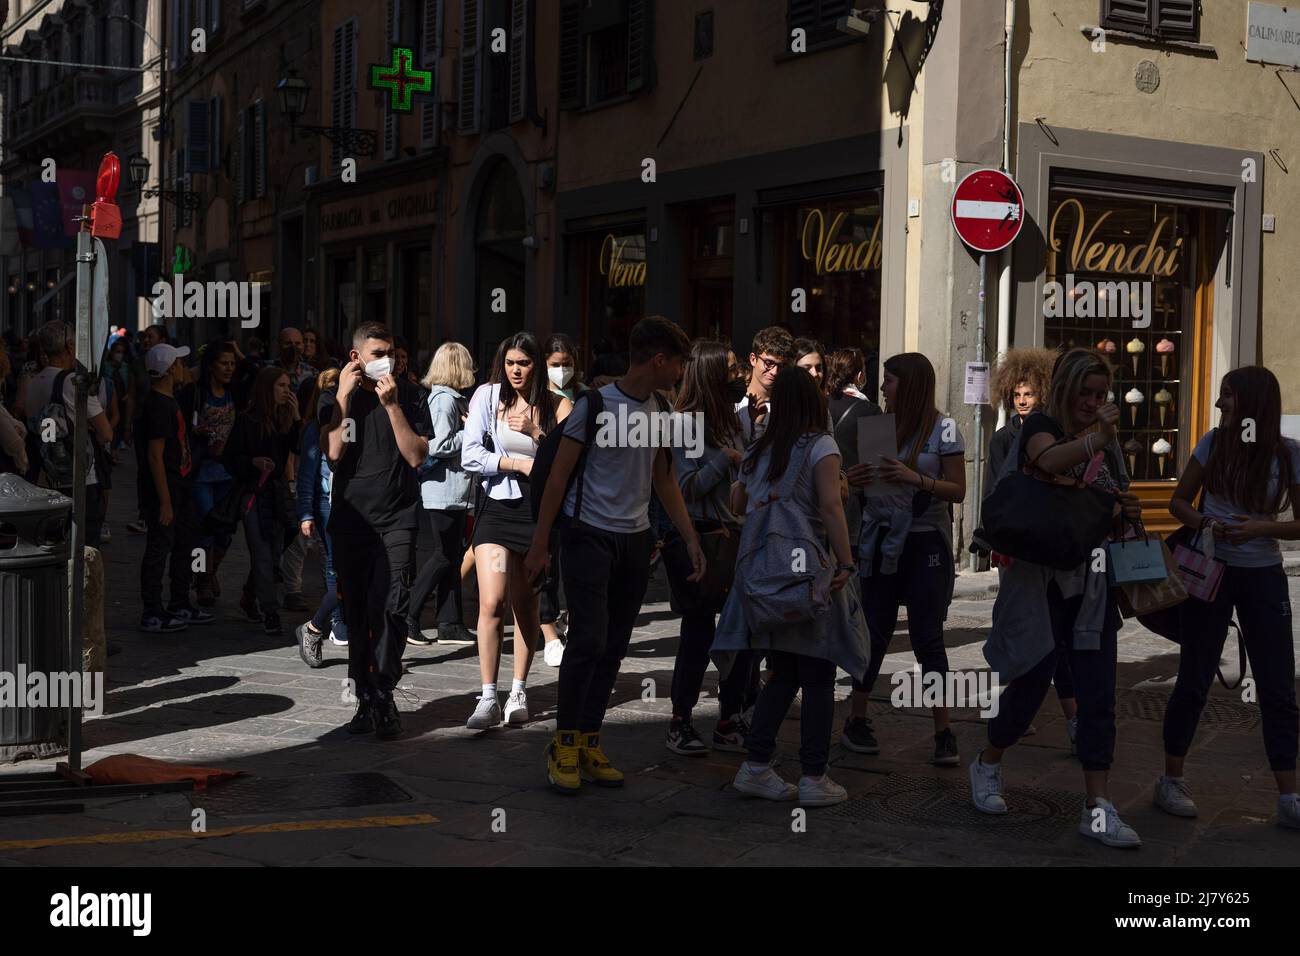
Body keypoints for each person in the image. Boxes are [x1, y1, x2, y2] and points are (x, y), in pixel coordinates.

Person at [972, 347, 1144, 849]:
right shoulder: (1040, 425)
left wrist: (1122, 507)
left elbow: (1105, 497)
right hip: (1039, 583)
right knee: (1029, 685)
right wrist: (1099, 439)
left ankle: (1099, 806)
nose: (1093, 403)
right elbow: (1048, 459)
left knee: (1097, 696)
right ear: (1066, 388)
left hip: (1091, 585)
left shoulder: (1104, 443)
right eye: (1085, 393)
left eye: (1101, 395)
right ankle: (987, 761)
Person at [525, 316, 703, 795]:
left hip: (636, 539)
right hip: (589, 535)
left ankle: (588, 740)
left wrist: (690, 537)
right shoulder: (595, 405)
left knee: (615, 647)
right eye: (679, 364)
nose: (681, 374)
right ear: (659, 360)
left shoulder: (662, 409)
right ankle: (562, 744)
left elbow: (663, 478)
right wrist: (541, 543)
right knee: (587, 641)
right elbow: (558, 477)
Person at [715, 366, 867, 806]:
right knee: (818, 674)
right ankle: (814, 776)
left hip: (764, 575)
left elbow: (737, 502)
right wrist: (847, 560)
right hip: (806, 574)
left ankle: (757, 766)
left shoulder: (761, 446)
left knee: (784, 671)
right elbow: (831, 507)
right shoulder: (821, 444)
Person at [1158, 366, 1300, 830]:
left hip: (1264, 577)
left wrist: (1261, 528)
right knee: (1194, 678)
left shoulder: (1288, 454)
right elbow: (1178, 501)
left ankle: (1288, 795)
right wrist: (1207, 525)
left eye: (1227, 397)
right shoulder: (1212, 444)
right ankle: (1171, 780)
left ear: (1253, 404)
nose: (1219, 405)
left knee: (1278, 687)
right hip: (1210, 572)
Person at [845, 353, 966, 764]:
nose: (882, 388)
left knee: (927, 636)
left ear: (911, 385)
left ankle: (943, 729)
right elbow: (870, 492)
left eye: (890, 380)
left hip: (926, 541)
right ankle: (856, 718)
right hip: (882, 540)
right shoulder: (878, 427)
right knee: (875, 630)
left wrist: (915, 478)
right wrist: (854, 481)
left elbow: (958, 490)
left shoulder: (944, 428)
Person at [321, 322, 431, 740]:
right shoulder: (335, 398)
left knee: (391, 607)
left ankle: (382, 692)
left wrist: (392, 407)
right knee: (358, 614)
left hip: (397, 519)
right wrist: (345, 399)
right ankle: (367, 699)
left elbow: (417, 455)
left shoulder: (410, 394)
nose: (386, 359)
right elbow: (333, 453)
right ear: (356, 358)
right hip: (351, 522)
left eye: (390, 351)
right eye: (377, 352)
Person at [461, 332, 572, 729]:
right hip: (497, 507)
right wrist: (516, 464)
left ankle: (518, 689)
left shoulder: (559, 405)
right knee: (490, 601)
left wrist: (534, 434)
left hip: (536, 511)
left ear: (537, 365)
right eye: (509, 363)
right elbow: (470, 454)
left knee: (525, 603)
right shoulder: (487, 397)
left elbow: (566, 461)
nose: (515, 371)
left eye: (523, 363)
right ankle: (487, 695)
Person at [984, 347, 1077, 747]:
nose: (1022, 400)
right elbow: (996, 491)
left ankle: (1068, 717)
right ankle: (1017, 705)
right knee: (1024, 627)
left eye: (1028, 393)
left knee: (1061, 640)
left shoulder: (1070, 435)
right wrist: (991, 539)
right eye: (1016, 394)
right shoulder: (1005, 438)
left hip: (1060, 553)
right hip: (1020, 548)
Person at [664, 340, 752, 756]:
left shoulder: (731, 421)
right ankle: (681, 719)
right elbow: (684, 488)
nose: (739, 376)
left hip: (735, 536)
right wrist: (726, 460)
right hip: (700, 537)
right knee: (698, 630)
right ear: (713, 373)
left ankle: (729, 716)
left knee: (738, 631)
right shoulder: (685, 425)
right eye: (732, 369)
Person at [137, 343, 212, 632]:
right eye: (178, 364)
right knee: (160, 547)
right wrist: (165, 500)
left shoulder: (170, 401)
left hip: (181, 483)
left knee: (185, 543)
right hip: (165, 487)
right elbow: (155, 455)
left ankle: (180, 600)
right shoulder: (157, 405)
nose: (183, 367)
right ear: (169, 370)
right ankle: (152, 610)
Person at [224, 365, 302, 637]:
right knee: (261, 552)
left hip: (277, 494)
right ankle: (271, 612)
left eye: (287, 386)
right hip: (253, 495)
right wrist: (253, 463)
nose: (286, 391)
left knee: (273, 553)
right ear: (267, 388)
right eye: (281, 386)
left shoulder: (285, 418)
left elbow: (299, 448)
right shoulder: (247, 420)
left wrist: (296, 417)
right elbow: (230, 459)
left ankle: (249, 595)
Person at [407, 342, 476, 647]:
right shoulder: (444, 401)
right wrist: (470, 431)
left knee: (452, 555)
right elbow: (437, 445)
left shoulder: (454, 399)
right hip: (444, 489)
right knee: (443, 555)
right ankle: (408, 616)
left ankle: (450, 622)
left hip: (455, 489)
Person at [25, 320, 113, 546]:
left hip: (45, 479)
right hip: (79, 480)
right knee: (84, 550)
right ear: (70, 347)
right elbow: (106, 434)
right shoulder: (73, 383)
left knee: (53, 549)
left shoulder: (32, 383)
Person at [295, 368, 349, 667]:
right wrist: (305, 512)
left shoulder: (355, 418)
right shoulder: (314, 430)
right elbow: (307, 474)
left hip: (356, 507)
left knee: (344, 571)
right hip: (327, 505)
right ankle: (325, 625)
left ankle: (334, 625)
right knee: (336, 570)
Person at [538, 333, 587, 664]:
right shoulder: (539, 399)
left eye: (567, 365)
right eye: (555, 365)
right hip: (545, 491)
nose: (562, 371)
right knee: (547, 565)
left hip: (580, 494)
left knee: (574, 565)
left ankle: (566, 619)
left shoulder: (585, 398)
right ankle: (548, 630)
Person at [190, 340, 240, 607]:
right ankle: (201, 581)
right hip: (201, 472)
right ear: (210, 366)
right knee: (204, 531)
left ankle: (211, 572)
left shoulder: (236, 393)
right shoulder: (196, 394)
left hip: (228, 473)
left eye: (233, 364)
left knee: (225, 531)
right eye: (224, 363)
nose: (229, 368)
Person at [824, 348, 882, 565]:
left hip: (820, 511)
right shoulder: (872, 411)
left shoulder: (820, 405)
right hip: (856, 514)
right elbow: (882, 476)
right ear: (859, 376)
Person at [736, 326, 795, 445]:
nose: (774, 372)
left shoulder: (791, 407)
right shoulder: (735, 405)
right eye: (768, 363)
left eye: (781, 366)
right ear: (753, 359)